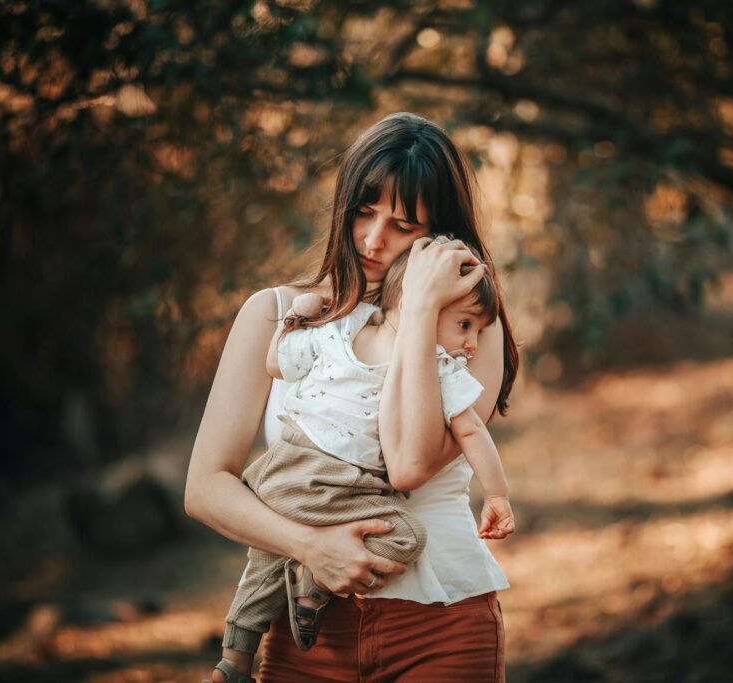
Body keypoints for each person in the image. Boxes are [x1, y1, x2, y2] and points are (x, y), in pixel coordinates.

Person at [185, 111, 520, 682]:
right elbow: (204, 488)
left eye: (402, 225)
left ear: (439, 237)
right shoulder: (276, 313)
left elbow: (409, 464)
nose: (373, 239)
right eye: (364, 211)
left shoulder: (470, 329)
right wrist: (310, 547)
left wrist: (418, 309)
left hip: (441, 626)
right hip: (305, 639)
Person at [208, 248, 516, 680]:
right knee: (405, 536)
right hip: (342, 484)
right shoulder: (432, 364)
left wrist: (297, 319)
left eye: (479, 330)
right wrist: (497, 495)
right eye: (465, 326)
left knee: (263, 566)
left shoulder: (340, 328)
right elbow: (469, 433)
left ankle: (233, 661)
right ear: (416, 299)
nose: (473, 344)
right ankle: (309, 578)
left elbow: (278, 362)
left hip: (282, 473)